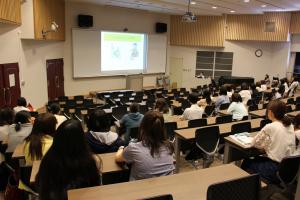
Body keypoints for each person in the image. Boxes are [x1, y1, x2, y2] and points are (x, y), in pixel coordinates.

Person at [36, 120, 101, 200]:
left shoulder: (48, 159)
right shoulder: (90, 161)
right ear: (81, 138)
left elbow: (39, 183)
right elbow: (95, 187)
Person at [242, 100, 296, 184]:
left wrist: (264, 147)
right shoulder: (290, 126)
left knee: (247, 162)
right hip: (289, 170)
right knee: (257, 159)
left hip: (274, 169)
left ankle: (250, 190)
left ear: (270, 112)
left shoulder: (270, 126)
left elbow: (254, 143)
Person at [115, 111, 175, 181]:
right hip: (167, 188)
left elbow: (118, 158)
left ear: (142, 127)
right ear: (163, 128)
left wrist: (121, 148)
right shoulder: (169, 146)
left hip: (140, 189)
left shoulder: (133, 148)